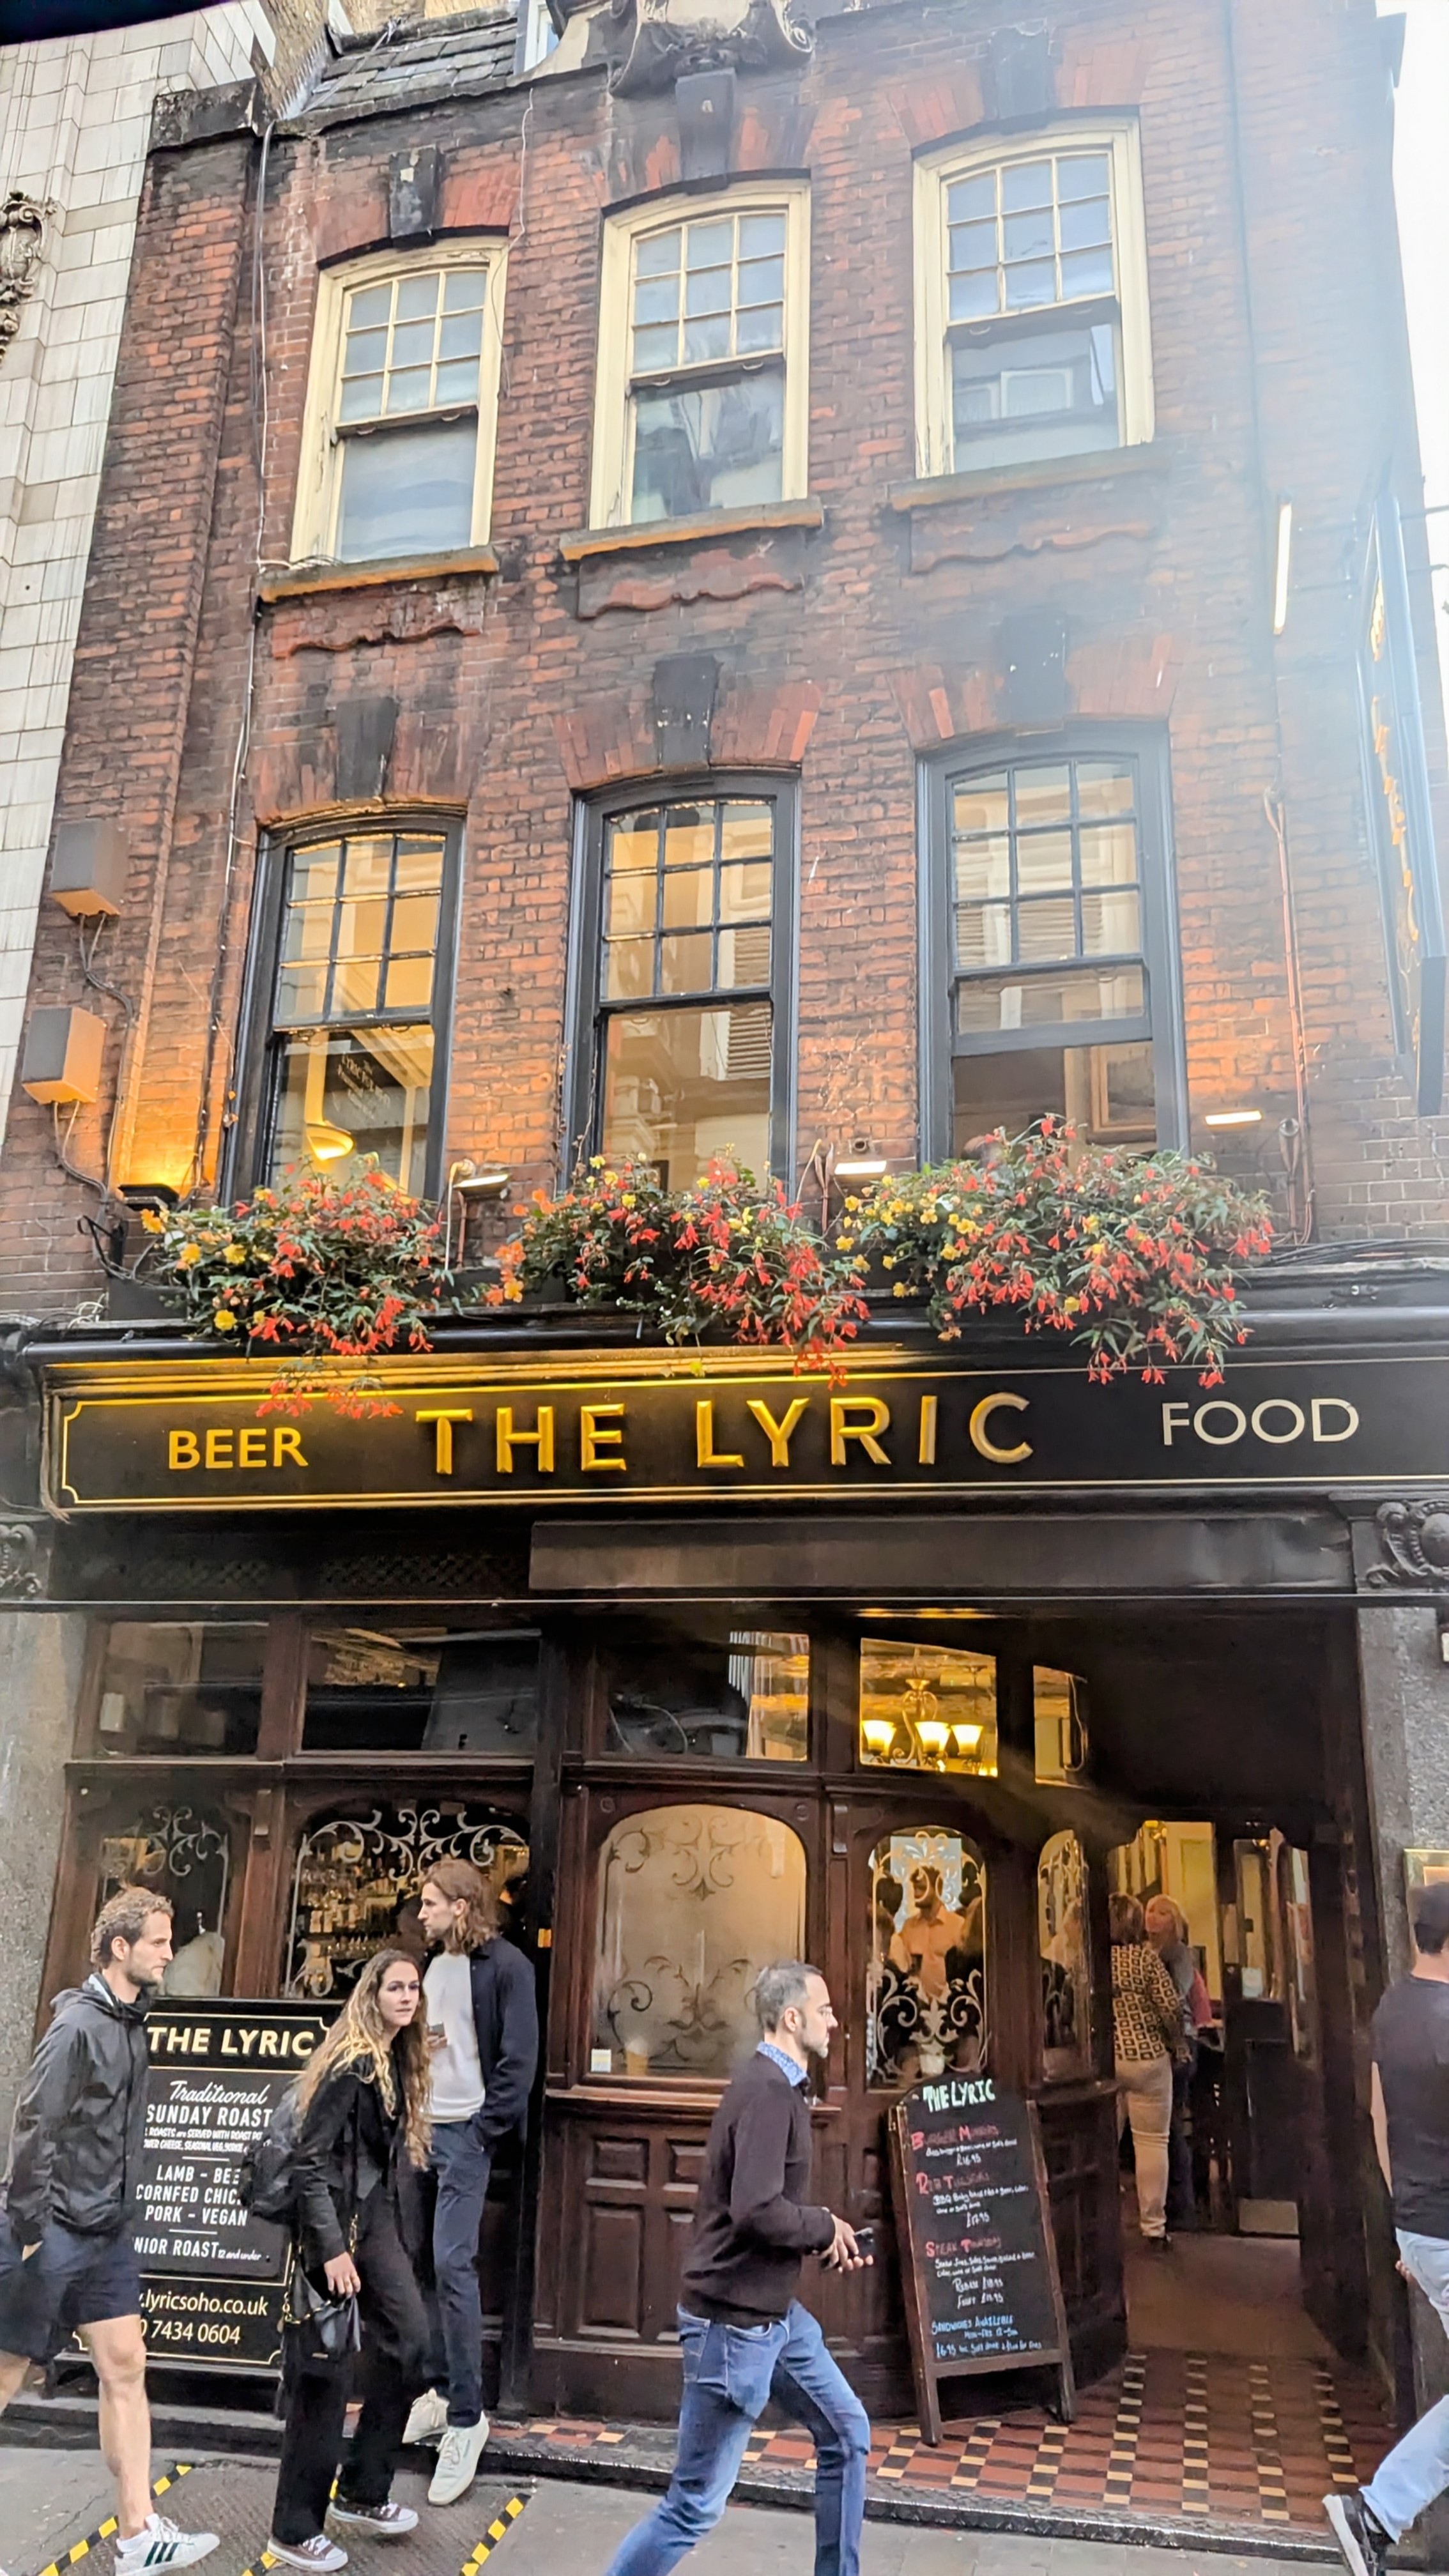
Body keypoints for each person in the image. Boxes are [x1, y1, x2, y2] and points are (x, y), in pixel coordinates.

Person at [602, 1960, 872, 2576]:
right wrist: (822, 2226)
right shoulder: (769, 2093)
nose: (834, 2022)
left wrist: (825, 2233)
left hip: (773, 2318)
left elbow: (763, 2208)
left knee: (846, 2433)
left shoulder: (775, 2088)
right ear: (792, 2018)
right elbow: (756, 2210)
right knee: (693, 2506)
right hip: (733, 2328)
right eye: (825, 2011)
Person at [0, 1888, 220, 2572]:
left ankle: (138, 2534)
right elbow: (34, 2125)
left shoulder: (131, 2022)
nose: (169, 1953)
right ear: (120, 1947)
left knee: (126, 2365)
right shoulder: (77, 2027)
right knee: (5, 2374)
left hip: (105, 2233)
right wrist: (29, 2228)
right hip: (52, 2230)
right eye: (159, 1941)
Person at [268, 1948, 433, 2573]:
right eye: (395, 1988)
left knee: (411, 2342)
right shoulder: (352, 2062)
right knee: (325, 2372)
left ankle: (363, 2489)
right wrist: (332, 2248)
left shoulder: (396, 2057)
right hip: (333, 2224)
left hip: (373, 2218)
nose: (406, 1997)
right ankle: (294, 2528)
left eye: (413, 1988)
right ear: (372, 1995)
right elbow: (308, 2161)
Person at [401, 1857, 540, 2506]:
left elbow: (519, 2061)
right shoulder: (434, 1965)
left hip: (466, 2136)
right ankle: (437, 2388)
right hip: (423, 2132)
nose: (421, 1913)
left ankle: (466, 2417)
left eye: (430, 1903)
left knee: (453, 2264)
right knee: (422, 2263)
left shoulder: (508, 1967)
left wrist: (484, 2131)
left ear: (461, 1906)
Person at [1325, 1880, 1449, 2576]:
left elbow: (1381, 2119)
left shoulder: (1392, 2009)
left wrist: (1408, 2219)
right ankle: (1374, 2515)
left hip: (1423, 2225)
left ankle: (1375, 2516)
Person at [1110, 1890, 1188, 2248]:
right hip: (1149, 2058)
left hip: (1110, 2060)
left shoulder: (1095, 1962)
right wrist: (1177, 2044)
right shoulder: (1146, 1960)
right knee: (1152, 2143)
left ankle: (1102, 2221)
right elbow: (1171, 2007)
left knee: (1105, 2142)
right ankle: (1153, 2226)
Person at [1145, 1894, 1197, 2230]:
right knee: (1161, 2129)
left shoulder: (1179, 1953)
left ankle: (1183, 2206)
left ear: (1174, 1921)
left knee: (1171, 2126)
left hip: (1179, 2044)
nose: (1153, 1916)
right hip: (1155, 2045)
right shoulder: (1144, 1952)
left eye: (1162, 1912)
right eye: (1150, 1910)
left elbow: (1177, 1995)